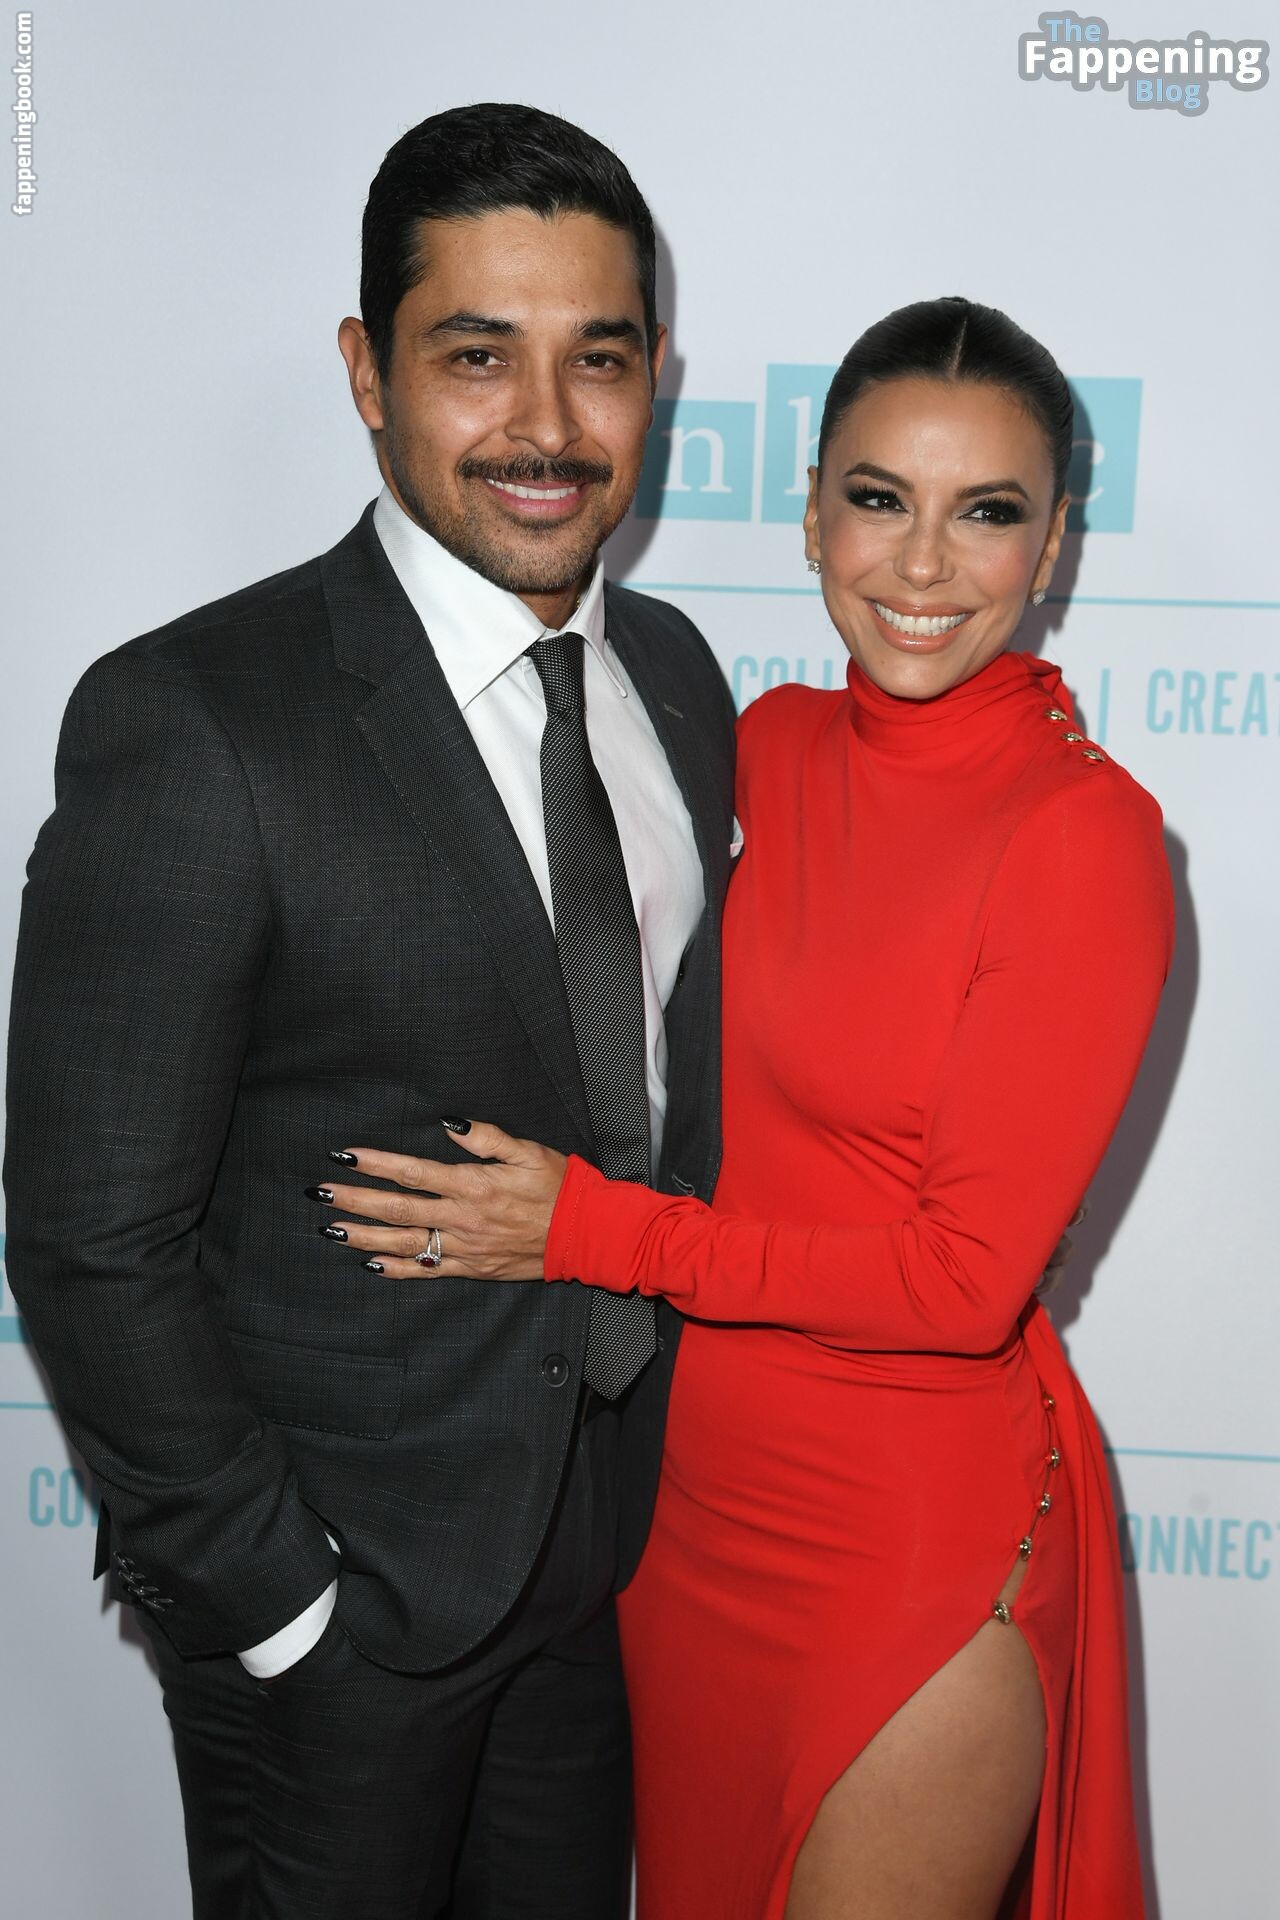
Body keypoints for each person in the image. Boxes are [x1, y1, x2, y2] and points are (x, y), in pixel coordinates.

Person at [315, 299, 1174, 1919]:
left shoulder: (1084, 836)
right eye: (879, 498)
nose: (923, 564)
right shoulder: (757, 746)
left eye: (987, 511)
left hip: (909, 1540)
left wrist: (591, 1232)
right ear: (811, 511)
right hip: (690, 1518)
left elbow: (957, 1283)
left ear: (1055, 543)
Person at [2, 103, 738, 1918]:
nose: (548, 426)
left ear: (657, 379)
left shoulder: (675, 678)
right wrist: (279, 1609)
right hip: (339, 1622)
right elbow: (92, 1232)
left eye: (599, 359)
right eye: (477, 356)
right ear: (367, 372)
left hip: (598, 1572)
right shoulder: (200, 718)